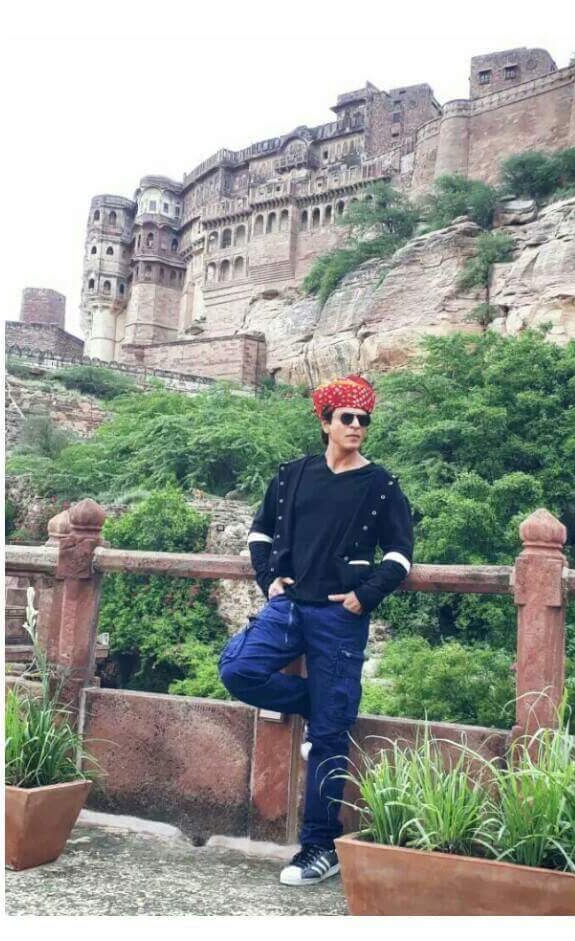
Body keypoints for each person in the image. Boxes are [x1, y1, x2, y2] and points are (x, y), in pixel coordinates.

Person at [219, 374, 414, 886]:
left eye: (364, 419)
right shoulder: (292, 475)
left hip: (339, 618)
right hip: (288, 606)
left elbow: (400, 554)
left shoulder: (382, 485)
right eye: (347, 417)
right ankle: (318, 705)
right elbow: (259, 533)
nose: (357, 426)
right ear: (326, 422)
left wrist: (365, 595)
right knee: (238, 669)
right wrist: (268, 579)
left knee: (329, 737)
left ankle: (320, 847)